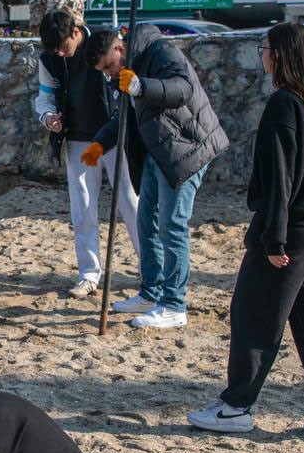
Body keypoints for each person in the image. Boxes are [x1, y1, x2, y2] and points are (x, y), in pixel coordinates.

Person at [188, 23, 304, 440]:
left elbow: (281, 179)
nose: (262, 54)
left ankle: (236, 407)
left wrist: (274, 238)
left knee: (253, 313)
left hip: (292, 231)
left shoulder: (284, 104)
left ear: (279, 55)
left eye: (264, 47)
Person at [82, 26, 229, 328]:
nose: (109, 74)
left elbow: (182, 89)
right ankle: (152, 292)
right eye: (104, 71)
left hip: (187, 148)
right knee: (145, 220)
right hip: (158, 150)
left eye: (109, 65)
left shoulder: (161, 51)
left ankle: (174, 305)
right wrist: (100, 143)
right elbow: (125, 115)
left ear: (119, 49)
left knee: (171, 226)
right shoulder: (124, 74)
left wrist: (141, 86)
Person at [35, 10, 141, 299]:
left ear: (75, 32)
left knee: (130, 201)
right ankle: (89, 274)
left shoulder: (105, 41)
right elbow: (45, 96)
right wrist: (48, 117)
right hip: (77, 139)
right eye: (54, 50)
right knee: (82, 207)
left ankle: (149, 268)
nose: (60, 53)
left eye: (63, 47)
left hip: (115, 135)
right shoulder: (50, 59)